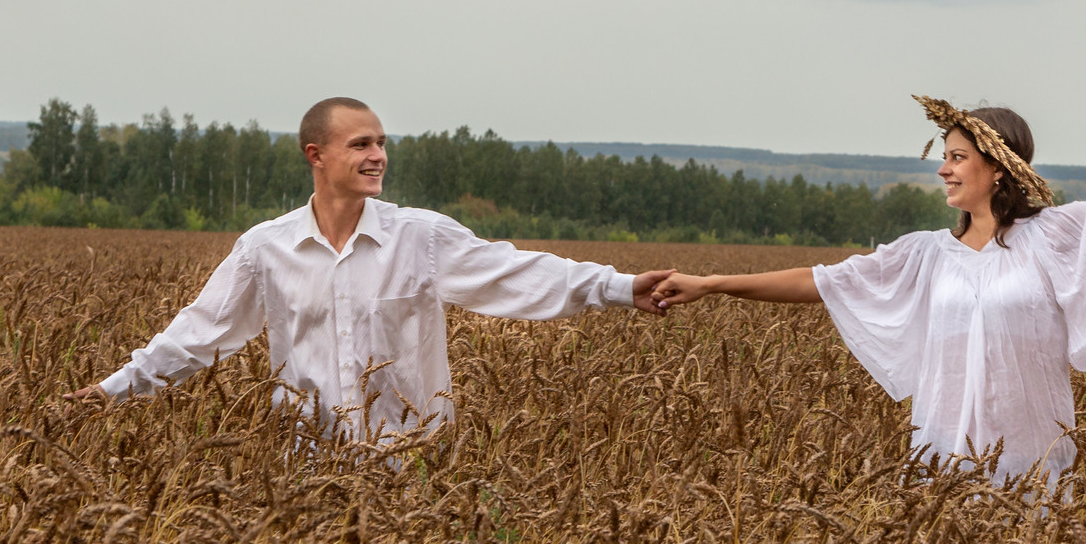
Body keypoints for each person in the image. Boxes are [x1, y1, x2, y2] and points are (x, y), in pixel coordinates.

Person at [649, 95, 1086, 488]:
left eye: (958, 157)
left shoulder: (1055, 235)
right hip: (941, 466)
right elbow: (824, 280)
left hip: (1030, 467)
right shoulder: (925, 254)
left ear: (997, 167)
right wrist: (713, 283)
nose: (943, 168)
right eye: (944, 156)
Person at [70, 97, 671, 442]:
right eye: (360, 144)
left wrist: (621, 288)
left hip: (413, 470)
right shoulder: (264, 249)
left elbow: (514, 273)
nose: (378, 155)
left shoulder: (421, 237)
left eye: (381, 143)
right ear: (316, 155)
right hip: (305, 474)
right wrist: (109, 392)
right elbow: (198, 334)